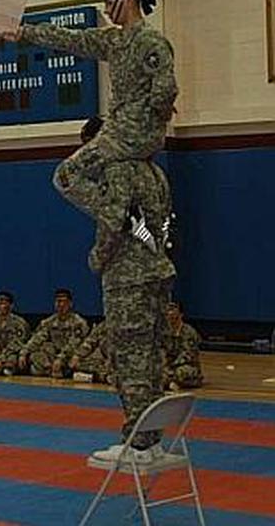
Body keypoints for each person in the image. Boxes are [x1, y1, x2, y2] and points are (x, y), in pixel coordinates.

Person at [5, 0, 177, 230]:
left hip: (130, 135)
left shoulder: (151, 42)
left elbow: (165, 91)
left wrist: (147, 122)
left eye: (110, 3)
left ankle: (119, 215)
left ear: (129, 0)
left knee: (66, 175)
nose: (107, 10)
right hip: (121, 132)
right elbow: (72, 39)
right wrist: (25, 32)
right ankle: (127, 214)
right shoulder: (115, 40)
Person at [86, 159, 177, 465]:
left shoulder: (118, 170)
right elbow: (163, 224)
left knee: (129, 360)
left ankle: (138, 443)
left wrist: (97, 258)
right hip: (156, 270)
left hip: (128, 278)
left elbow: (112, 223)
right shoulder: (154, 172)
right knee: (149, 357)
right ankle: (150, 440)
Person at [17, 289, 90, 378]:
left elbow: (73, 345)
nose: (61, 305)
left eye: (64, 302)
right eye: (58, 302)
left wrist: (60, 359)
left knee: (78, 361)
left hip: (69, 356)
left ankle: (58, 370)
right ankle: (51, 370)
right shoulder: (49, 322)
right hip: (54, 356)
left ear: (70, 304)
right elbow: (37, 339)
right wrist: (24, 353)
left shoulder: (79, 322)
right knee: (39, 352)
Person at [163, 301, 204, 390]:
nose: (171, 314)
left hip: (187, 366)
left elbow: (188, 355)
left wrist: (170, 368)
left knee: (181, 372)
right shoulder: (164, 332)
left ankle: (170, 381)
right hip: (167, 367)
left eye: (174, 311)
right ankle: (170, 382)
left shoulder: (189, 332)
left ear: (181, 315)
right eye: (168, 311)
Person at [69, 320, 113, 384]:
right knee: (78, 364)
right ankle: (101, 377)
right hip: (104, 359)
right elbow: (90, 341)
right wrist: (78, 355)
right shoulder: (103, 325)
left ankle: (103, 377)